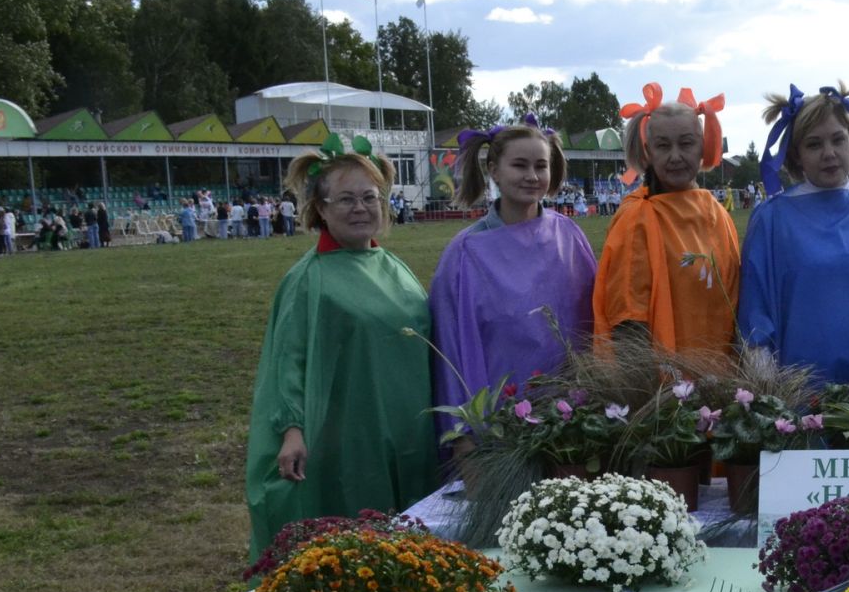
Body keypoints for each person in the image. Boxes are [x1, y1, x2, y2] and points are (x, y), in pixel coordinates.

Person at [243, 137, 440, 562]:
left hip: (408, 431)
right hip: (351, 433)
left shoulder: (394, 267)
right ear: (321, 208)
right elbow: (288, 360)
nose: (359, 208)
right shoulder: (308, 279)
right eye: (345, 199)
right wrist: (292, 430)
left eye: (369, 197)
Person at [737, 83, 849, 383]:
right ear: (796, 155)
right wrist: (770, 400)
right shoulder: (772, 219)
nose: (829, 153)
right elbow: (755, 317)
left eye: (838, 140)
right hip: (805, 405)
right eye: (814, 144)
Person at [428, 114, 597, 434]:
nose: (532, 176)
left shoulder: (569, 237)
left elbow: (594, 324)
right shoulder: (465, 253)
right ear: (494, 170)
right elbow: (450, 351)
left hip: (573, 423)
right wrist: (461, 432)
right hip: (498, 428)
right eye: (520, 165)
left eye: (540, 166)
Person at [592, 82, 738, 355]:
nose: (675, 156)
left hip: (721, 384)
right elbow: (629, 323)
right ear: (648, 151)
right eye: (663, 145)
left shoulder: (718, 214)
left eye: (686, 143)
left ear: (703, 146)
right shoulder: (637, 218)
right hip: (667, 390)